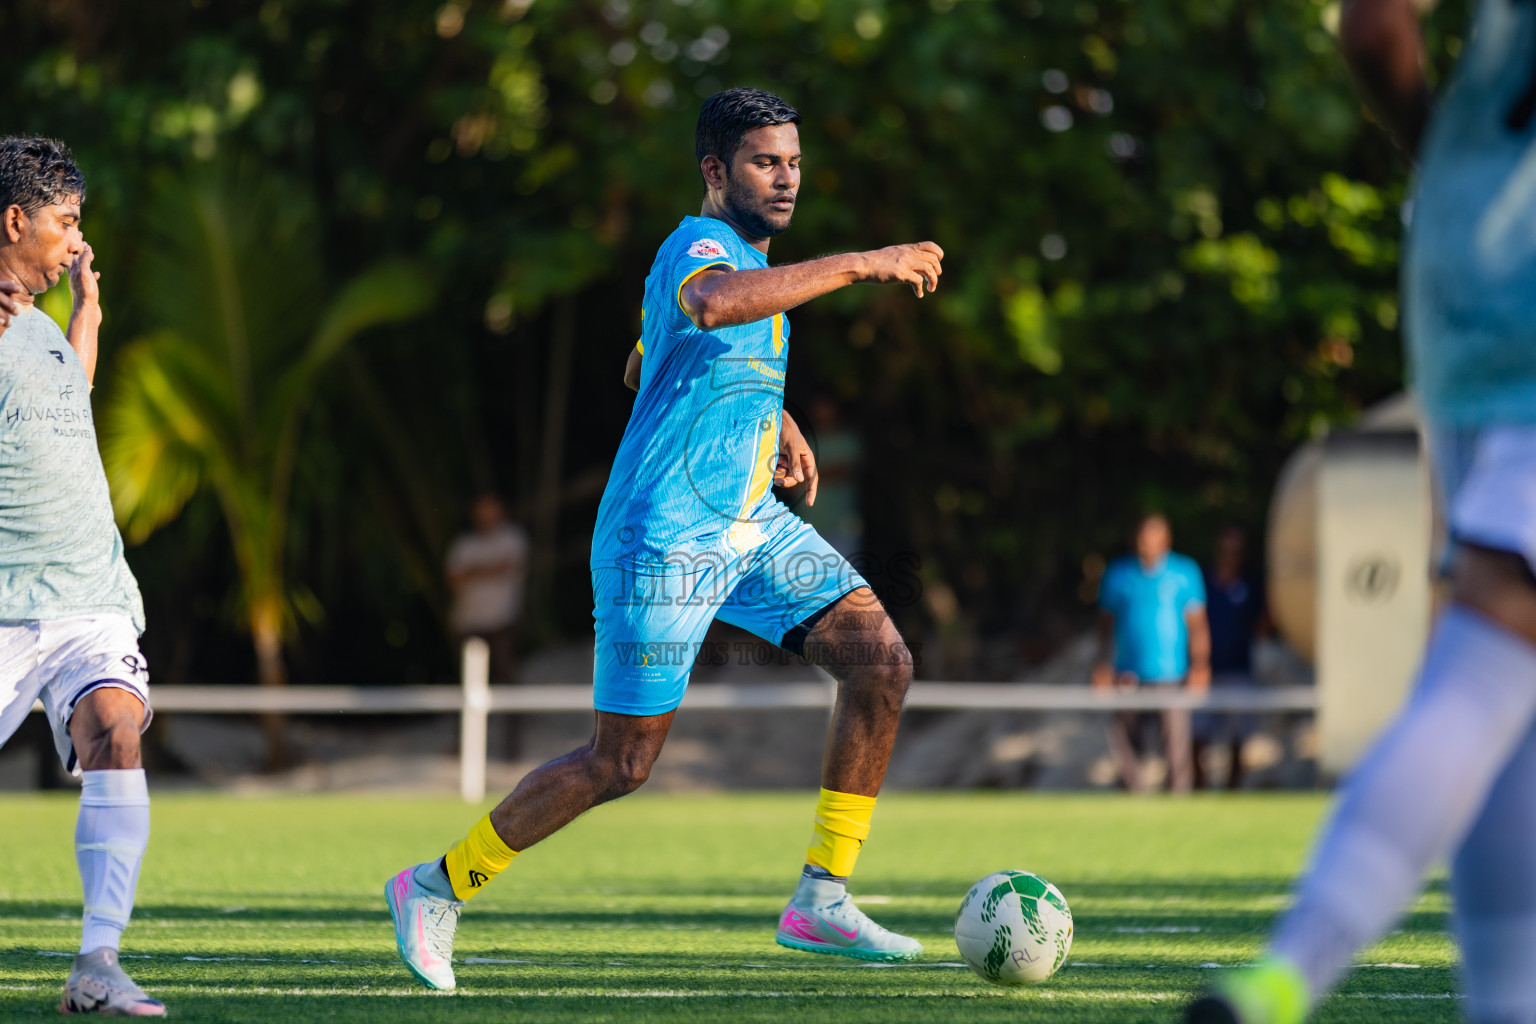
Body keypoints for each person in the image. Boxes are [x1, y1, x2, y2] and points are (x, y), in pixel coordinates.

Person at [385, 87, 945, 989]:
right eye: (768, 161)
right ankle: (437, 887)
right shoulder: (700, 246)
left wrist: (777, 419)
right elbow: (715, 307)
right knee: (623, 762)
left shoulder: (754, 271)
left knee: (880, 662)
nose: (788, 177)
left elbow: (649, 357)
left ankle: (822, 899)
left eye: (795, 162)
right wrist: (865, 262)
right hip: (663, 538)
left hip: (748, 528)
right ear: (716, 171)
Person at [1188, 2, 1536, 1021]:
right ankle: (1291, 968)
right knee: (1491, 656)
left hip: (1467, 270)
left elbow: (1376, 25)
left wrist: (1449, 150)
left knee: (1513, 704)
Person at [0, 138, 163, 1015]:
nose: (76, 240)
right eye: (66, 223)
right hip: (4, 605)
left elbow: (70, 396)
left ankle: (97, 963)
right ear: (14, 220)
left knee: (116, 732)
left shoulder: (37, 326)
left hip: (92, 601)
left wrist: (87, 309)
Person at [1092, 513, 1210, 793]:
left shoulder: (1184, 572)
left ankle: (1178, 797)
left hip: (1172, 672)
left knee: (1176, 741)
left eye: (1154, 539)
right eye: (1143, 540)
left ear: (1166, 540)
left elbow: (1198, 625)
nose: (1148, 545)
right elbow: (1105, 625)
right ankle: (1134, 792)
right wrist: (1102, 665)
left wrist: (1201, 666)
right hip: (1129, 671)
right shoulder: (1119, 574)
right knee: (1124, 736)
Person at [1192, 526, 1266, 790]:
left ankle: (1233, 790)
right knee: (1197, 733)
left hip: (1238, 669)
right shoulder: (1202, 583)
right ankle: (1198, 787)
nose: (1231, 557)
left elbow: (1262, 624)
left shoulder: (1251, 585)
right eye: (1226, 551)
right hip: (1205, 671)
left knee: (1238, 736)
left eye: (1236, 552)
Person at [446, 493, 529, 684]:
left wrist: (472, 571)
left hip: (502, 621)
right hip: (468, 622)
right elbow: (453, 578)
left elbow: (508, 567)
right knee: (470, 680)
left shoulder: (513, 538)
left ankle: (513, 714)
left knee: (506, 674)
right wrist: (489, 569)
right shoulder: (464, 544)